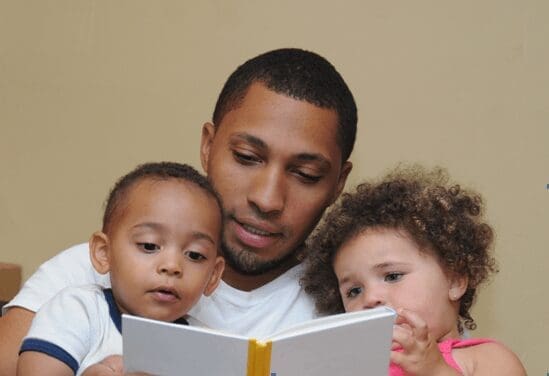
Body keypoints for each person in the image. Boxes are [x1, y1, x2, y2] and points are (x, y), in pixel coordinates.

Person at [0, 48, 357, 375]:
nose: (267, 199)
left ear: (338, 182)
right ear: (207, 146)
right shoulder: (90, 274)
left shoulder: (351, 301)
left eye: (305, 174)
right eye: (247, 158)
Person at [302, 165, 526, 375]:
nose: (370, 298)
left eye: (392, 276)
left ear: (455, 280)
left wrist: (436, 370)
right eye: (354, 291)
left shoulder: (484, 358)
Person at [16, 162, 225, 375]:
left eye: (195, 255)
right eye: (149, 246)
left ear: (213, 276)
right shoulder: (78, 311)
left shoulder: (208, 348)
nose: (172, 266)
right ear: (104, 253)